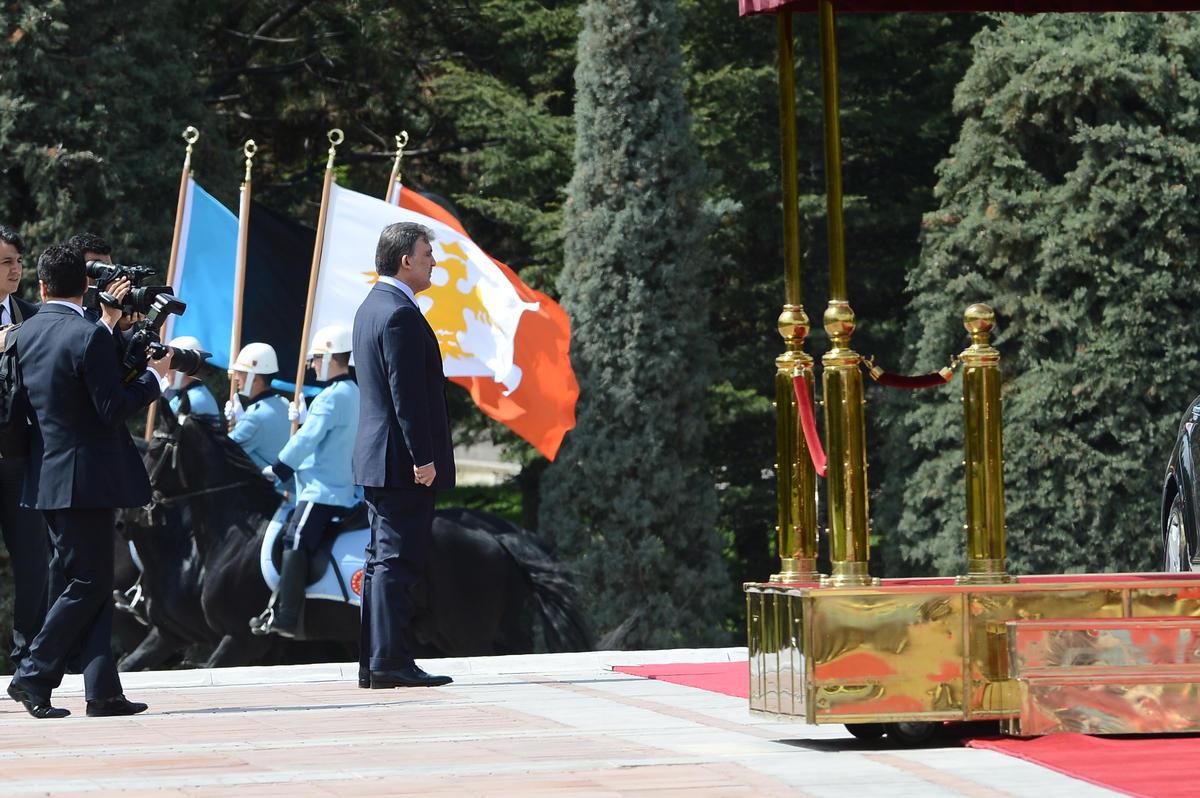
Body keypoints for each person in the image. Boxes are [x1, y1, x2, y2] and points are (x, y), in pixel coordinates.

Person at [7, 244, 168, 718]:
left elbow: (18, 410)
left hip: (45, 477)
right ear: (88, 286)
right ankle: (32, 675)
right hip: (87, 479)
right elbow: (111, 408)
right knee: (90, 580)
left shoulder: (25, 331)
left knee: (86, 580)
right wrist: (153, 380)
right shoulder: (87, 335)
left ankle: (102, 691)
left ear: (40, 286)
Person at [352, 222, 454, 690]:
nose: (434, 261)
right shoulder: (398, 314)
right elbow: (405, 395)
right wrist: (423, 458)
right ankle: (389, 660)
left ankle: (375, 662)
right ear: (405, 260)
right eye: (427, 253)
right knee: (396, 562)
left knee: (379, 561)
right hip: (401, 462)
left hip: (379, 458)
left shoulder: (371, 307)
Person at [254, 325, 361, 638]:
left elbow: (309, 440)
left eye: (316, 359)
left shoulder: (330, 397)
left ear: (330, 358)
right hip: (339, 485)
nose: (313, 365)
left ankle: (287, 616)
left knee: (295, 540)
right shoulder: (352, 391)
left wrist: (281, 466)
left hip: (321, 490)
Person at [0, 225, 48, 672]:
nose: (15, 270)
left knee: (34, 563)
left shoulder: (34, 318)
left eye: (18, 261)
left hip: (21, 461)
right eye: (5, 262)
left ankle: (28, 663)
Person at [225, 343, 291, 490]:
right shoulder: (284, 403)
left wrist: (239, 422)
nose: (236, 378)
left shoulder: (255, 416)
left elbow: (225, 451)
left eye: (241, 373)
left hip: (268, 493)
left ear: (254, 379)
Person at [162, 335, 219, 420]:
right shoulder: (186, 394)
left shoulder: (196, 399)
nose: (166, 372)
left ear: (185, 367)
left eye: (170, 366)